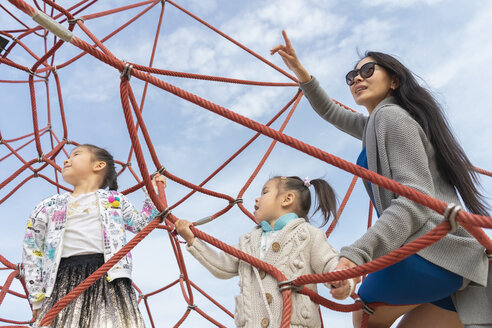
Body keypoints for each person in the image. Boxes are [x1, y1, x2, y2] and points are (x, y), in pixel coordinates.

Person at [271, 30, 491, 328]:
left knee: (364, 315)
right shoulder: (378, 123)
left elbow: (414, 200)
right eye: (352, 76)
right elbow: (331, 112)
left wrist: (357, 254)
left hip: (432, 251)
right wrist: (302, 73)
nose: (357, 79)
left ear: (394, 81)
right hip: (457, 260)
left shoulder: (392, 117)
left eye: (367, 70)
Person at [175, 176, 355, 327]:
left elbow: (329, 263)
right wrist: (192, 240)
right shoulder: (247, 241)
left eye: (265, 192)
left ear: (287, 199)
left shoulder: (307, 235)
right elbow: (222, 266)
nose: (257, 199)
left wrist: (340, 280)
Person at [22, 144, 166, 328]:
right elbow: (32, 248)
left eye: (75, 154)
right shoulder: (50, 205)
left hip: (110, 276)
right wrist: (36, 296)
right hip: (62, 279)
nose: (66, 159)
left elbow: (140, 223)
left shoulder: (115, 200)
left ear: (98, 165)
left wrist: (153, 190)